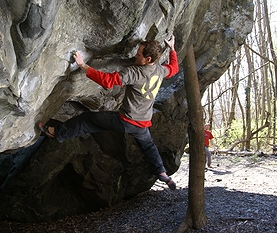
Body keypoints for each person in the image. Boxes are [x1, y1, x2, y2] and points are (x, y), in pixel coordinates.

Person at [39, 35, 179, 190]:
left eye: (139, 54)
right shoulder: (159, 70)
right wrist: (172, 49)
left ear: (148, 59)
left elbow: (107, 81)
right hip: (143, 124)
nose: (135, 56)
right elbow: (174, 68)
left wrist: (83, 65)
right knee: (149, 147)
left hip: (126, 121)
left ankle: (56, 133)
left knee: (86, 119)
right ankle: (162, 173)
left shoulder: (134, 73)